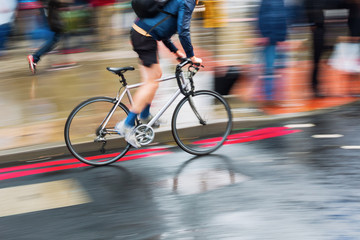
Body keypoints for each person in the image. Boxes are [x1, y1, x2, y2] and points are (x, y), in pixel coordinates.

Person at [115, 0, 203, 148]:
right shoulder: (187, 2)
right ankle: (127, 124)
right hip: (144, 37)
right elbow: (183, 31)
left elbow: (162, 26)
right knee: (151, 82)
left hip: (142, 34)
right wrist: (192, 56)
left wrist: (175, 52)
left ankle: (144, 116)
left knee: (155, 77)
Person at [27, 0, 72, 74]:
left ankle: (35, 58)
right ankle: (35, 57)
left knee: (55, 38)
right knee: (55, 38)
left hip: (49, 9)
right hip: (50, 9)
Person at [257, 0, 288, 105]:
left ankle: (275, 96)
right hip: (271, 39)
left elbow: (283, 17)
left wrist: (282, 37)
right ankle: (269, 97)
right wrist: (265, 35)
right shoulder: (266, 1)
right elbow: (263, 17)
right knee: (269, 69)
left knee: (278, 69)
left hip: (277, 38)